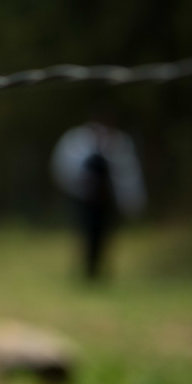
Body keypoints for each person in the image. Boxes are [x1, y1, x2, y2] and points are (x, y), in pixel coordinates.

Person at [51, 120, 146, 282]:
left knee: (105, 238)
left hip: (105, 205)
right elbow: (68, 173)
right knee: (87, 237)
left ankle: (99, 271)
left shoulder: (115, 149)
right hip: (87, 204)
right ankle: (88, 271)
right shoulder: (81, 150)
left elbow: (125, 177)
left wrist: (129, 201)